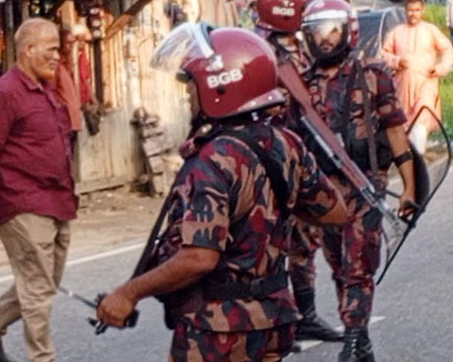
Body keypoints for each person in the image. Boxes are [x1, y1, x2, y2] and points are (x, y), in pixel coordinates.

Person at [97, 24, 348, 362]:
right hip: (273, 319)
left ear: (220, 88)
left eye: (193, 86)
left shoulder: (211, 161)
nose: (188, 95)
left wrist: (128, 293)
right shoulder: (287, 144)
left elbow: (199, 258)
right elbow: (335, 212)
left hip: (220, 331)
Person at [299, 0, 416, 362]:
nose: (325, 39)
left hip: (364, 187)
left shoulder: (372, 76)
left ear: (346, 30)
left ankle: (351, 344)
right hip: (323, 194)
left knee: (359, 268)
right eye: (317, 32)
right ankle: (361, 339)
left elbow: (396, 132)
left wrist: (410, 186)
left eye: (332, 30)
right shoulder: (300, 86)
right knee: (338, 266)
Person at [0, 17, 77, 362]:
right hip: (22, 202)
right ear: (29, 50)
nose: (58, 56)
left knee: (42, 281)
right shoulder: (6, 91)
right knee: (39, 288)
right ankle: (41, 358)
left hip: (57, 201)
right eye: (52, 49)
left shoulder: (46, 87)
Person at [255, 0, 346, 345]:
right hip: (274, 160)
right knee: (276, 245)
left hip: (295, 156)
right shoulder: (265, 54)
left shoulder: (288, 47)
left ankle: (302, 316)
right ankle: (282, 321)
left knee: (301, 242)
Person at [381, 0, 453, 154]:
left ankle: (419, 156)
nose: (413, 14)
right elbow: (384, 54)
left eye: (417, 10)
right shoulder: (396, 32)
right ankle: (409, 158)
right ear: (405, 11)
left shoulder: (430, 30)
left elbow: (447, 49)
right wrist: (396, 61)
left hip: (426, 83)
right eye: (410, 10)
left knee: (422, 116)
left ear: (422, 11)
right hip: (402, 85)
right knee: (405, 121)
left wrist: (441, 67)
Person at [54, 28, 82, 146]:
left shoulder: (66, 67)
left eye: (72, 44)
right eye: (67, 43)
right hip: (64, 123)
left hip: (72, 123)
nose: (70, 47)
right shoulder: (55, 67)